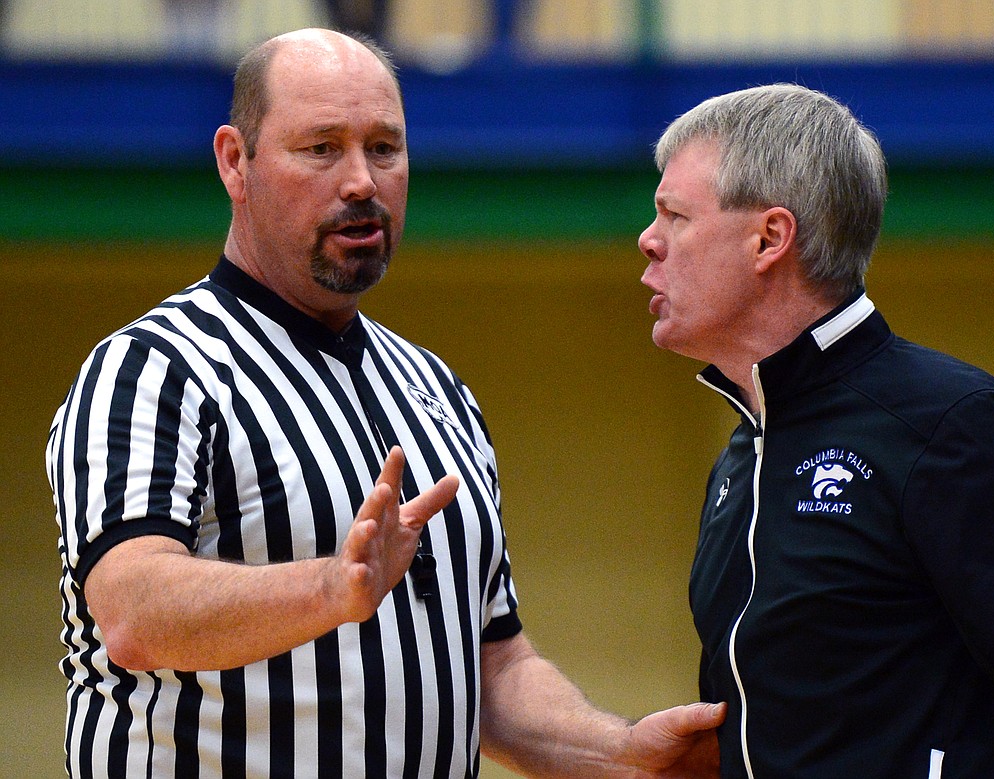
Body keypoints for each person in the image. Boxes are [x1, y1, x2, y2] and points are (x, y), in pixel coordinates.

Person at [46, 28, 724, 779]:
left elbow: (491, 670)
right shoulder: (153, 367)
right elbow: (132, 612)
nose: (362, 181)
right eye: (321, 148)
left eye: (385, 148)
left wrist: (623, 753)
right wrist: (332, 587)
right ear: (235, 162)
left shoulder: (435, 389)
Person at [636, 83, 994, 778]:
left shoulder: (954, 428)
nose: (648, 241)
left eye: (674, 215)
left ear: (769, 237)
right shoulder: (741, 460)